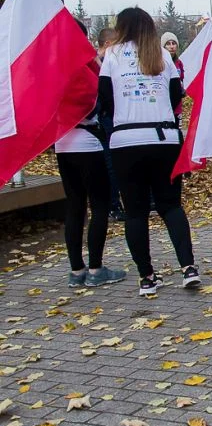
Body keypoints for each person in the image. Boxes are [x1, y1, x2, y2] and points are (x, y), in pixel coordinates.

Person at [98, 7, 200, 296]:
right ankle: (188, 268)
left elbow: (104, 97)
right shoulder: (162, 55)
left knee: (136, 212)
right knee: (171, 205)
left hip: (126, 140)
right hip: (164, 137)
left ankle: (146, 277)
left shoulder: (113, 56)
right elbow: (175, 94)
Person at [56, 20, 127, 288]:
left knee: (74, 206)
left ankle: (76, 270)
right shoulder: (83, 65)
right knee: (99, 205)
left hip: (63, 143)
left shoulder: (52, 65)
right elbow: (96, 101)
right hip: (89, 141)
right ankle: (96, 268)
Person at [96, 27, 125, 221]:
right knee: (111, 164)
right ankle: (113, 205)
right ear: (107, 44)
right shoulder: (100, 62)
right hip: (104, 119)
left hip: (107, 118)